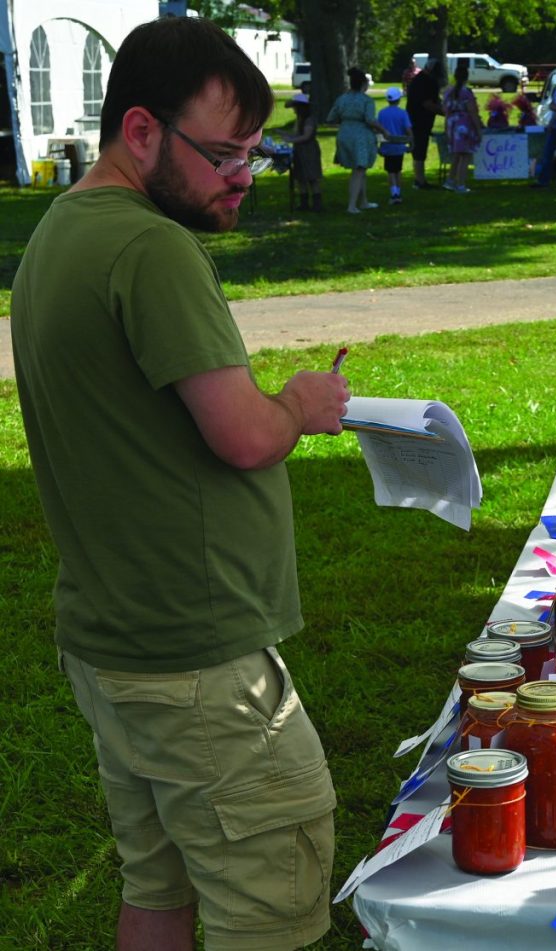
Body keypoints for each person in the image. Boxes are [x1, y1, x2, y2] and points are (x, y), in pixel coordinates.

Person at [9, 16, 349, 951]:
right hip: (195, 659)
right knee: (269, 905)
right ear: (141, 131)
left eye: (254, 153)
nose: (243, 175)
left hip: (115, 644)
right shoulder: (151, 248)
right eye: (223, 153)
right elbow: (245, 434)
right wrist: (302, 403)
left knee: (155, 885)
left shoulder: (59, 232)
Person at [326, 67, 387, 214]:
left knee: (360, 169)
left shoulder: (342, 98)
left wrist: (346, 120)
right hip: (360, 137)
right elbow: (370, 120)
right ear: (363, 84)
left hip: (344, 134)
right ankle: (352, 206)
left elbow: (331, 118)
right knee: (359, 170)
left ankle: (363, 201)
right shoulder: (366, 100)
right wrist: (384, 131)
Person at [406, 57, 446, 189]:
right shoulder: (425, 82)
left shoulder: (419, 79)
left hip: (416, 120)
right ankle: (420, 180)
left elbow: (435, 100)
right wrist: (446, 113)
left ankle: (419, 179)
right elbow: (428, 104)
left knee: (419, 150)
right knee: (419, 151)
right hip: (419, 121)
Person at [442, 62, 482, 194]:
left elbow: (445, 111)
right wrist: (478, 128)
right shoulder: (466, 92)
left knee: (456, 154)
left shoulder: (448, 92)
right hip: (463, 125)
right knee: (465, 155)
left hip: (452, 124)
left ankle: (450, 181)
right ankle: (460, 185)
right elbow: (472, 111)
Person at [283, 92, 323, 211]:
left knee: (312, 177)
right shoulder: (300, 119)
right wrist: (285, 134)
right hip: (300, 150)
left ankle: (317, 205)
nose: (294, 110)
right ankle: (304, 204)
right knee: (301, 177)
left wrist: (291, 140)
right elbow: (297, 134)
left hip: (309, 150)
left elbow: (306, 136)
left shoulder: (309, 120)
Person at [378, 86, 413, 204]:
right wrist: (411, 143)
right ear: (399, 99)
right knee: (398, 170)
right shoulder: (402, 113)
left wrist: (378, 146)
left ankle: (393, 194)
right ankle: (398, 193)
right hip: (399, 147)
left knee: (390, 171)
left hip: (387, 146)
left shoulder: (382, 113)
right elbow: (408, 130)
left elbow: (378, 131)